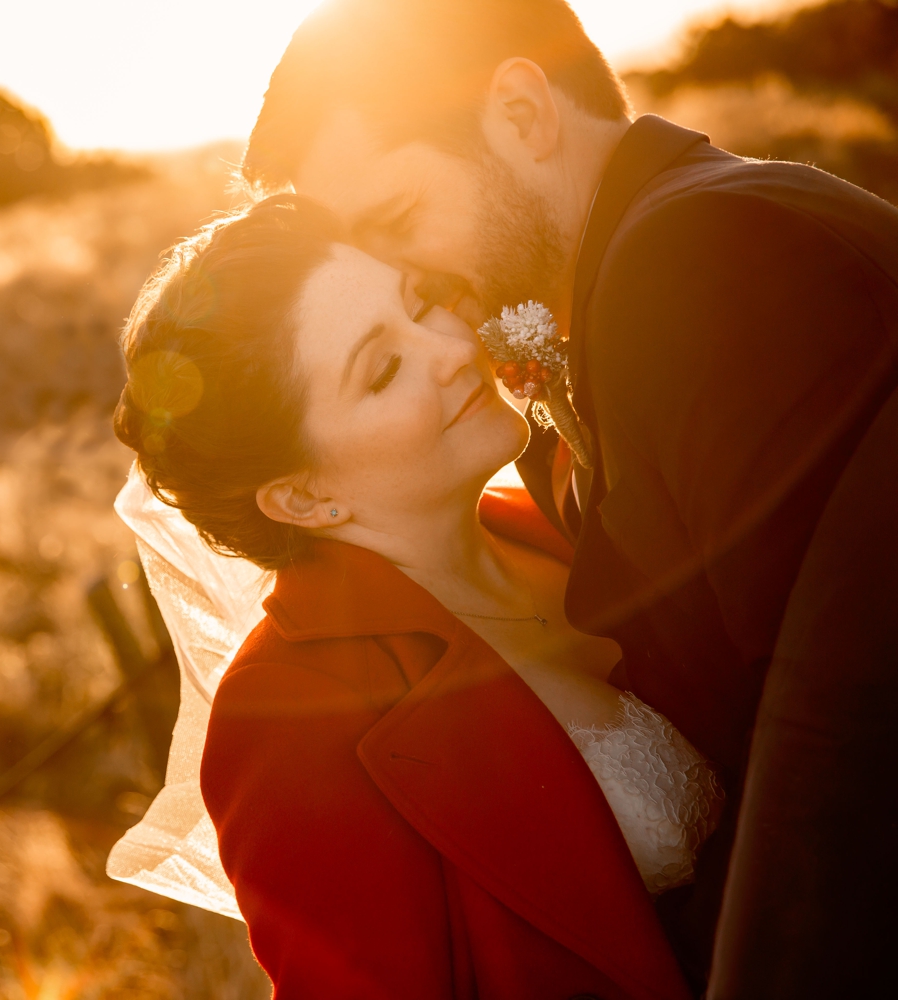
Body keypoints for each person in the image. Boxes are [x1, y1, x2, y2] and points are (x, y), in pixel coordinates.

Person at [222, 1, 898, 994]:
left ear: (524, 112)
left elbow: (843, 753)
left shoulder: (706, 257)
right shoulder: (650, 267)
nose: (422, 294)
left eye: (400, 225)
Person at [114, 194, 719, 998]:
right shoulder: (288, 721)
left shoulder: (564, 520)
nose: (450, 350)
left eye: (421, 303)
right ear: (302, 497)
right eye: (384, 369)